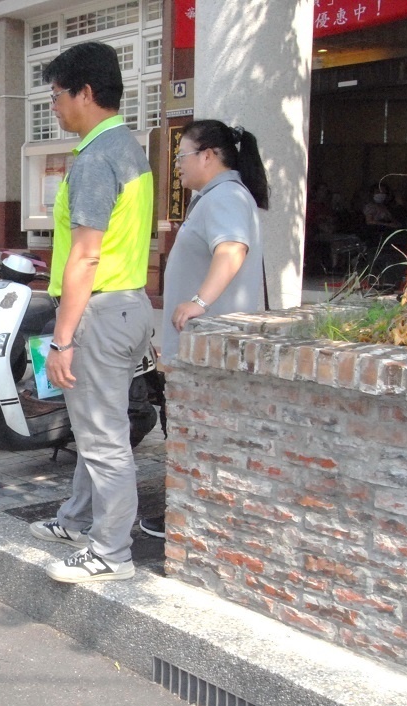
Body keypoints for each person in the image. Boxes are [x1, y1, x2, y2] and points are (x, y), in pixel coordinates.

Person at [27, 41, 154, 584]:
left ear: (84, 92)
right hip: (127, 306)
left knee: (102, 440)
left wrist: (62, 338)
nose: (54, 106)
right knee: (97, 428)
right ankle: (78, 521)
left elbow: (85, 254)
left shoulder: (96, 160)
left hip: (99, 312)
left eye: (57, 95)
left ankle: (112, 553)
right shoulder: (129, 149)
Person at [139, 120, 270, 538]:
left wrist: (198, 302)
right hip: (205, 348)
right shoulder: (219, 197)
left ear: (208, 156)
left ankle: (192, 523)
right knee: (199, 437)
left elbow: (231, 249)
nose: (178, 166)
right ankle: (194, 518)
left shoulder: (225, 197)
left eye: (182, 156)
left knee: (201, 437)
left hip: (210, 351)